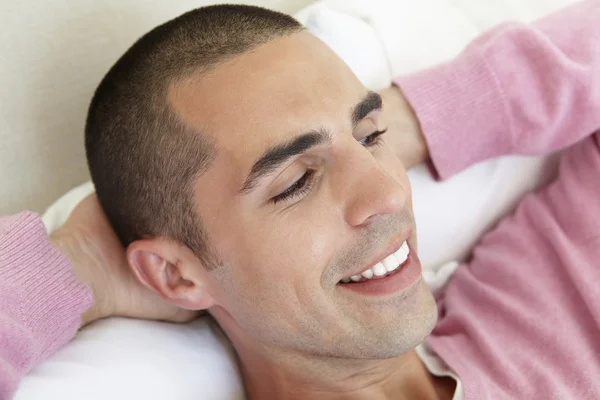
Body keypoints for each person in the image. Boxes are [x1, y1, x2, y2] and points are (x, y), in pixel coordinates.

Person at [1, 1, 599, 399]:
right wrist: (75, 265)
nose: (389, 191)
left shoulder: (548, 308)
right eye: (296, 182)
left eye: (372, 136)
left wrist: (418, 124)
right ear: (176, 275)